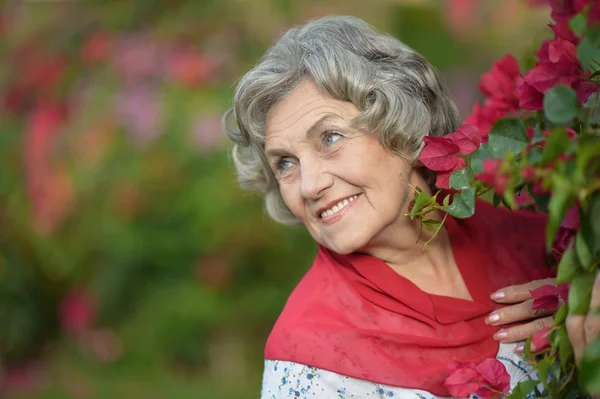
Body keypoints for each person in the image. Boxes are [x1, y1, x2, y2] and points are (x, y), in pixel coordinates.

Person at [223, 16, 600, 398]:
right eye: (285, 163)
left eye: (330, 138)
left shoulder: (545, 242)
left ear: (400, 123)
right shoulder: (308, 364)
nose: (309, 184)